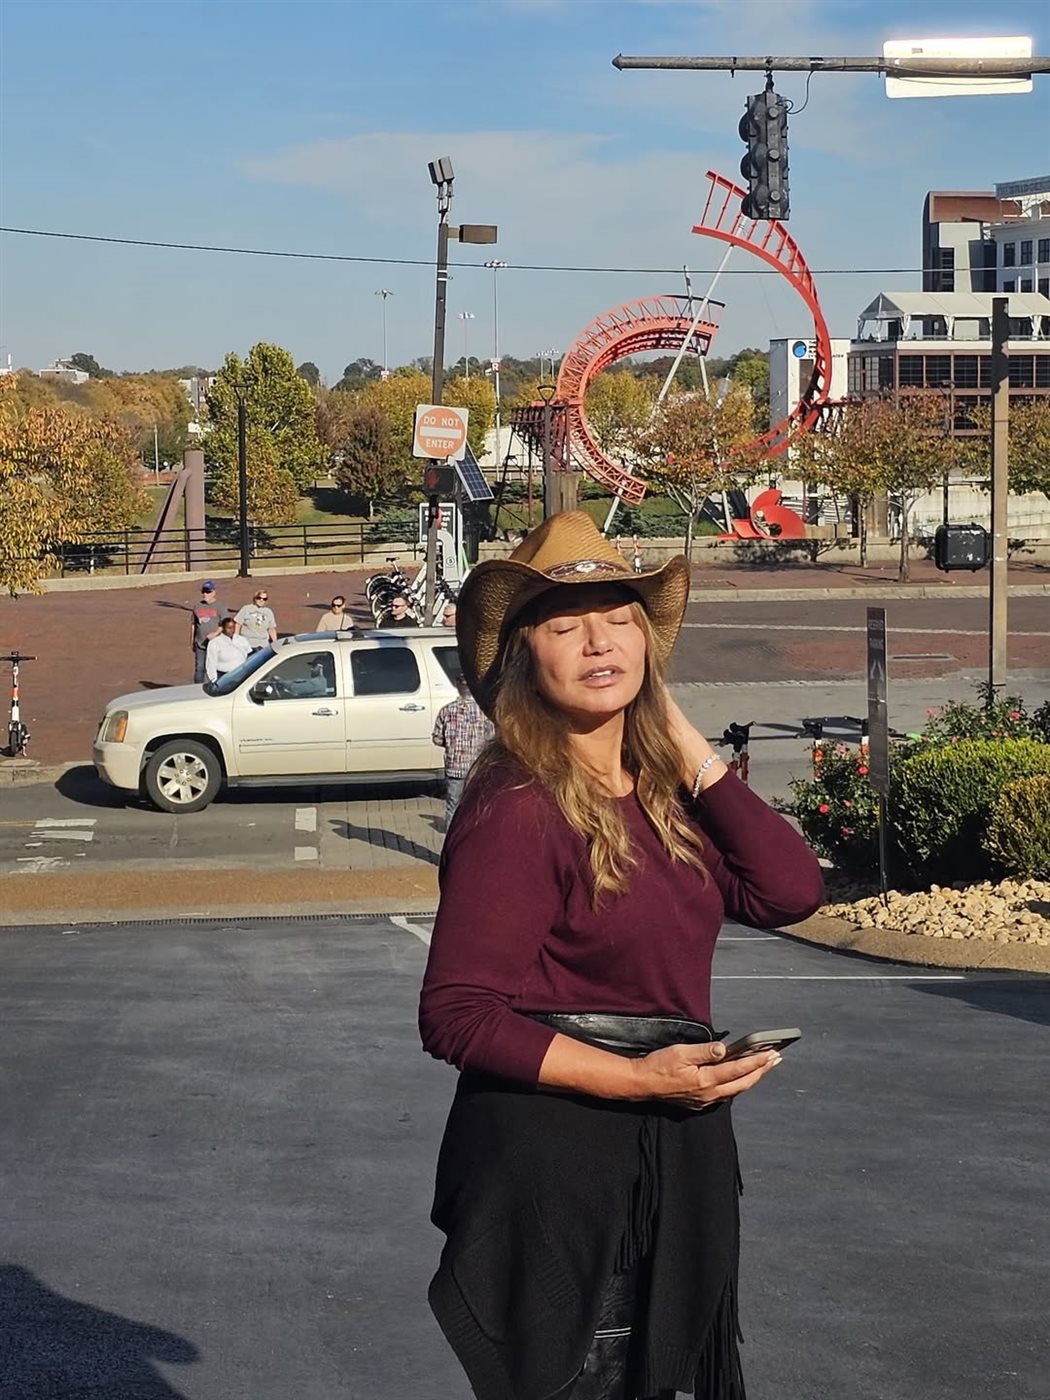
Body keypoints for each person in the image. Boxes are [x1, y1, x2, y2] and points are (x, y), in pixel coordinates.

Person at [419, 511, 823, 1400]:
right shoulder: (518, 806)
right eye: (566, 626)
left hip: (668, 1157)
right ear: (525, 656)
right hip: (562, 1174)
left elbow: (791, 891)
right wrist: (639, 1080)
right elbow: (456, 1015)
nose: (600, 642)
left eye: (619, 619)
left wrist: (683, 743)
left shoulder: (663, 797)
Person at [431, 675, 494, 830]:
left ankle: (451, 840)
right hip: (477, 768)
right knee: (476, 807)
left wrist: (452, 744)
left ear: (457, 686)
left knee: (453, 808)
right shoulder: (485, 711)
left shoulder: (446, 711)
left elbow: (437, 739)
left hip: (455, 768)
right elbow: (492, 738)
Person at [191, 582, 226, 683]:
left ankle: (217, 687)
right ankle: (197, 688)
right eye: (204, 592)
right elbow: (193, 625)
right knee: (199, 668)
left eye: (208, 592)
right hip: (200, 643)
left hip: (216, 643)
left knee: (216, 668)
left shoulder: (220, 606)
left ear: (214, 592)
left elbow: (225, 624)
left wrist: (215, 633)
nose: (205, 594)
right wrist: (192, 641)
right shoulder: (197, 606)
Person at [205, 617, 251, 683]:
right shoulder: (215, 642)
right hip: (224, 677)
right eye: (229, 628)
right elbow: (211, 663)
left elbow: (250, 656)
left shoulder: (242, 640)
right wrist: (214, 680)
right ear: (223, 628)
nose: (232, 630)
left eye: (233, 627)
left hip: (242, 675)